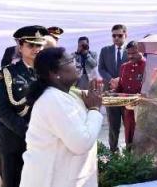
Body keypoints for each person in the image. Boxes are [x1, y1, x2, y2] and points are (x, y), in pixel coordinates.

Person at [20, 47, 104, 187]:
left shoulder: (66, 94)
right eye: (70, 61)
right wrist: (94, 109)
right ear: (54, 73)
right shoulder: (52, 99)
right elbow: (81, 143)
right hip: (51, 181)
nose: (77, 63)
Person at [0, 25, 47, 187]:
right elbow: (2, 110)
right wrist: (28, 131)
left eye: (39, 45)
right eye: (31, 45)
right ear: (20, 46)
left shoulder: (49, 72)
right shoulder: (7, 74)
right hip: (13, 141)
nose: (36, 49)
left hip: (42, 141)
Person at [98, 24, 128, 152]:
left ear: (125, 35)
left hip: (127, 94)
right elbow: (101, 68)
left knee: (129, 125)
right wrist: (111, 80)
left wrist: (120, 79)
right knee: (113, 125)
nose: (116, 38)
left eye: (119, 35)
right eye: (114, 36)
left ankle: (130, 152)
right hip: (110, 93)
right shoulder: (105, 50)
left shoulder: (131, 50)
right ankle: (113, 152)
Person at [114, 40, 146, 147]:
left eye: (134, 53)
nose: (130, 56)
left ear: (141, 51)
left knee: (142, 139)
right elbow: (120, 86)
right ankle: (129, 156)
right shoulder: (124, 67)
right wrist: (112, 93)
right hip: (128, 110)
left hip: (143, 111)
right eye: (128, 53)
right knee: (129, 137)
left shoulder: (148, 65)